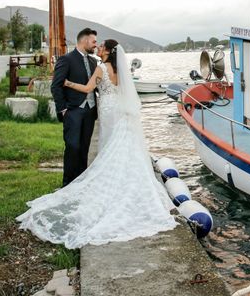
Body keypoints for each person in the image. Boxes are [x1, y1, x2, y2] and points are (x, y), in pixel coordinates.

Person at [17, 39, 177, 248]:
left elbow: (87, 88)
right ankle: (126, 178)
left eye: (102, 47)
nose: (99, 49)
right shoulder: (121, 71)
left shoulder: (101, 67)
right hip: (120, 111)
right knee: (121, 146)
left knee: (109, 145)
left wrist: (67, 83)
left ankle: (113, 181)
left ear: (109, 52)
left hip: (108, 111)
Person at [51, 28, 99, 186]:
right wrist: (63, 109)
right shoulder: (67, 59)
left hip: (90, 111)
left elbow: (95, 86)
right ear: (84, 41)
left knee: (84, 147)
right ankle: (67, 185)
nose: (95, 45)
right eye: (93, 41)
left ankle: (81, 183)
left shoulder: (93, 62)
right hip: (73, 110)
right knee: (72, 147)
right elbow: (56, 86)